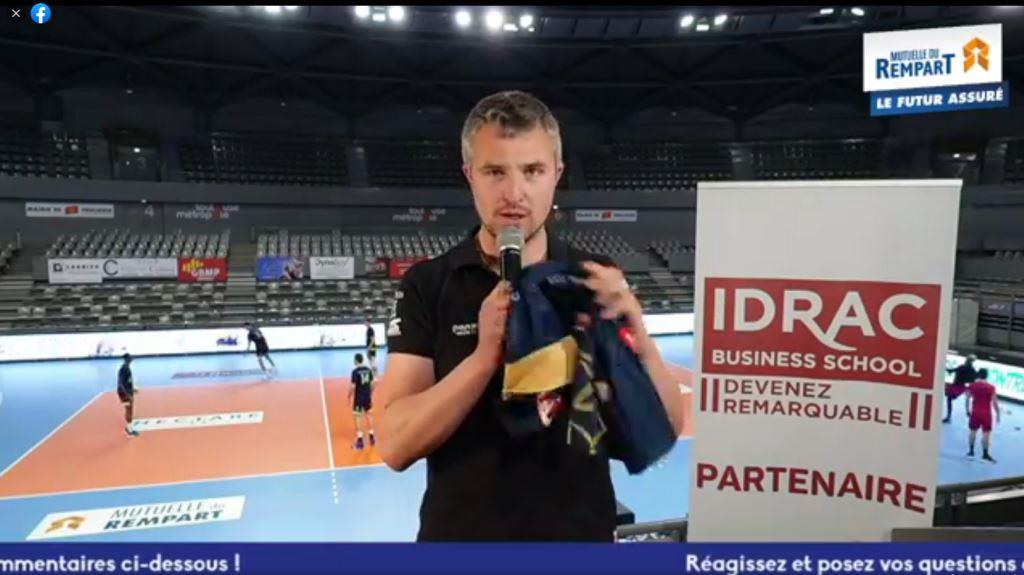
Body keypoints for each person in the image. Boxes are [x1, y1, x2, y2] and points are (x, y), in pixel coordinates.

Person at [376, 90, 685, 541]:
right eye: (495, 171)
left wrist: (637, 327)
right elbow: (395, 444)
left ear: (556, 174)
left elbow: (668, 428)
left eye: (532, 171)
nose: (514, 194)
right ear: (470, 176)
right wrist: (483, 358)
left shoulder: (595, 279)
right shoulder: (429, 284)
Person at [966, 368, 999, 462]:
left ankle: (971, 451)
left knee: (972, 431)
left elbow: (967, 398)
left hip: (975, 411)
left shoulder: (972, 385)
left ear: (978, 375)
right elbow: (994, 402)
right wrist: (998, 413)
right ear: (986, 376)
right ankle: (985, 454)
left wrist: (967, 410)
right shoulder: (991, 387)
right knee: (986, 433)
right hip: (986, 412)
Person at [349, 353, 376, 450]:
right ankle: (372, 437)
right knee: (369, 415)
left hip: (359, 397)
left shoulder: (355, 372)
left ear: (356, 360)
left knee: (358, 416)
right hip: (367, 396)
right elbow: (373, 383)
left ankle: (360, 441)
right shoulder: (368, 370)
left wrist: (349, 396)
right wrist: (370, 393)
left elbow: (353, 386)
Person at [944, 354, 978, 423]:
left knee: (950, 398)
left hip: (958, 386)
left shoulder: (962, 367)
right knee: (966, 398)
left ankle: (949, 415)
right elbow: (974, 378)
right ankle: (967, 412)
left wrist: (946, 368)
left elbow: (952, 370)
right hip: (963, 386)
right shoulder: (971, 369)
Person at [117, 353, 140, 437]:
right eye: (130, 357)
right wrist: (127, 394)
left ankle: (129, 428)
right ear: (127, 359)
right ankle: (129, 431)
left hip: (127, 392)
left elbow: (127, 381)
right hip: (124, 393)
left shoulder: (126, 367)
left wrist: (133, 389)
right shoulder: (124, 369)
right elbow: (121, 383)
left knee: (129, 409)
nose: (132, 358)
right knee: (129, 410)